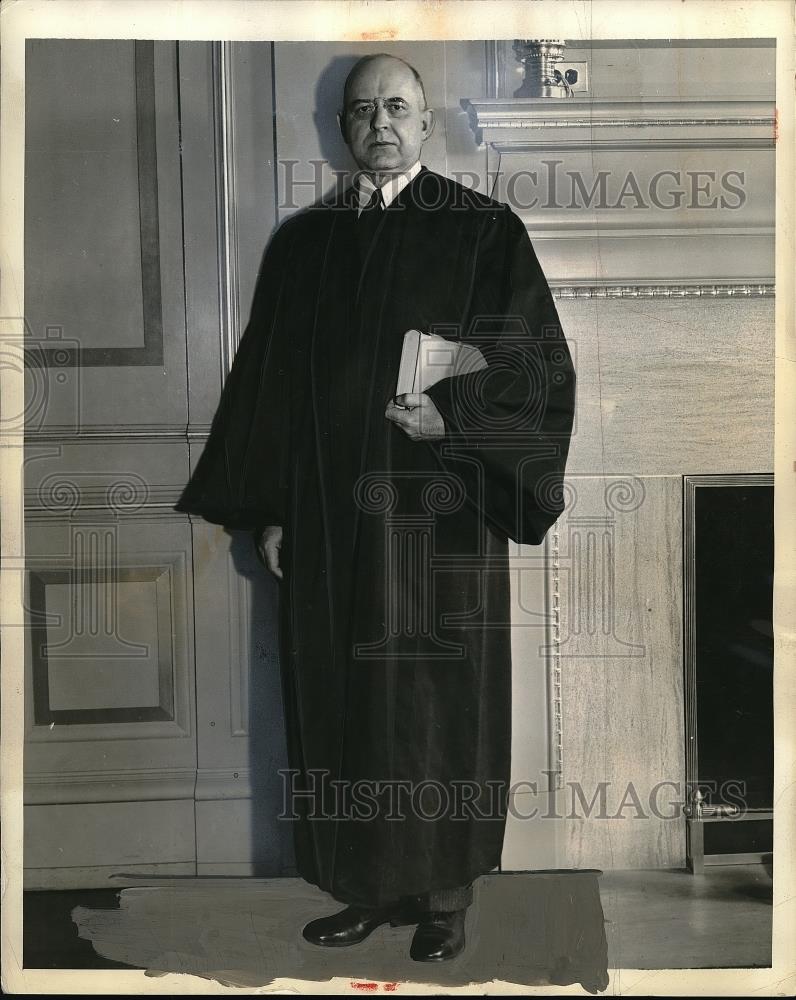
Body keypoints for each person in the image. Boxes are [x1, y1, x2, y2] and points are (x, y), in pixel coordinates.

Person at [175, 52, 576, 962]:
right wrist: (271, 508)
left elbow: (536, 369)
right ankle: (359, 886)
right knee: (340, 698)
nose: (379, 123)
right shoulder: (305, 245)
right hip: (328, 519)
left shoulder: (481, 231)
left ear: (427, 123)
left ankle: (442, 897)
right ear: (342, 128)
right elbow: (269, 387)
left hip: (440, 515)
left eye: (397, 106)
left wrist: (450, 416)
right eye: (362, 111)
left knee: (434, 706)